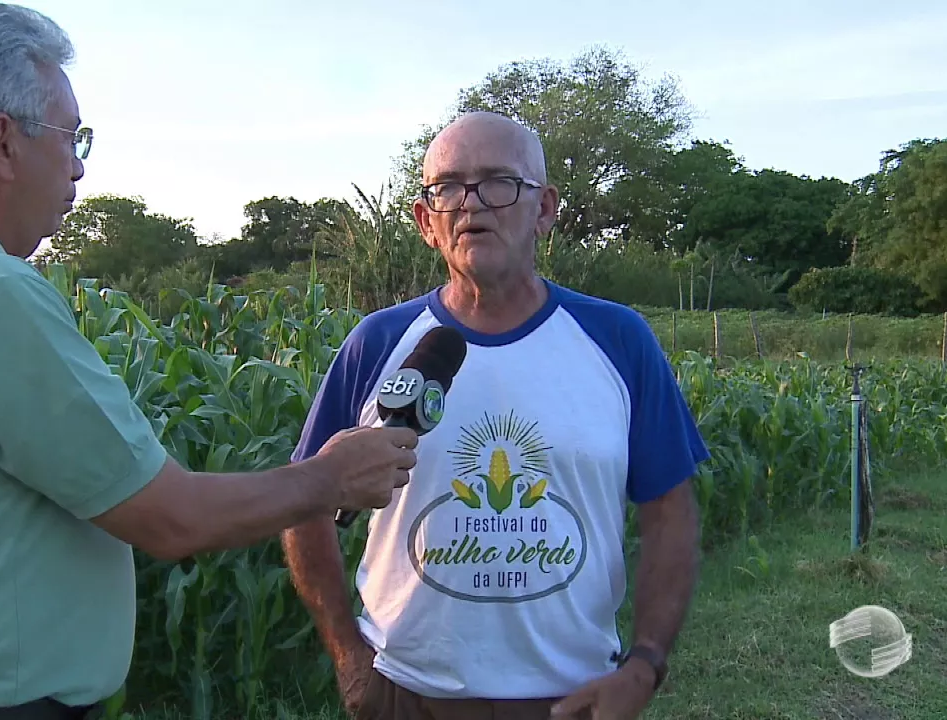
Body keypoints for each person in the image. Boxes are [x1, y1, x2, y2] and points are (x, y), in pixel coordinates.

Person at [0, 2, 418, 719]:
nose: (78, 166)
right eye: (71, 136)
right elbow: (172, 519)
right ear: (2, 142)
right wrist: (328, 478)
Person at [280, 111, 709, 720]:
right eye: (448, 188)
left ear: (545, 209)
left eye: (499, 183)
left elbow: (670, 510)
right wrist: (348, 656)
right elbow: (302, 503)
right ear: (425, 221)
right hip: (406, 696)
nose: (471, 204)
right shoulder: (378, 343)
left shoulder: (617, 340)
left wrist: (645, 664)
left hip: (574, 698)